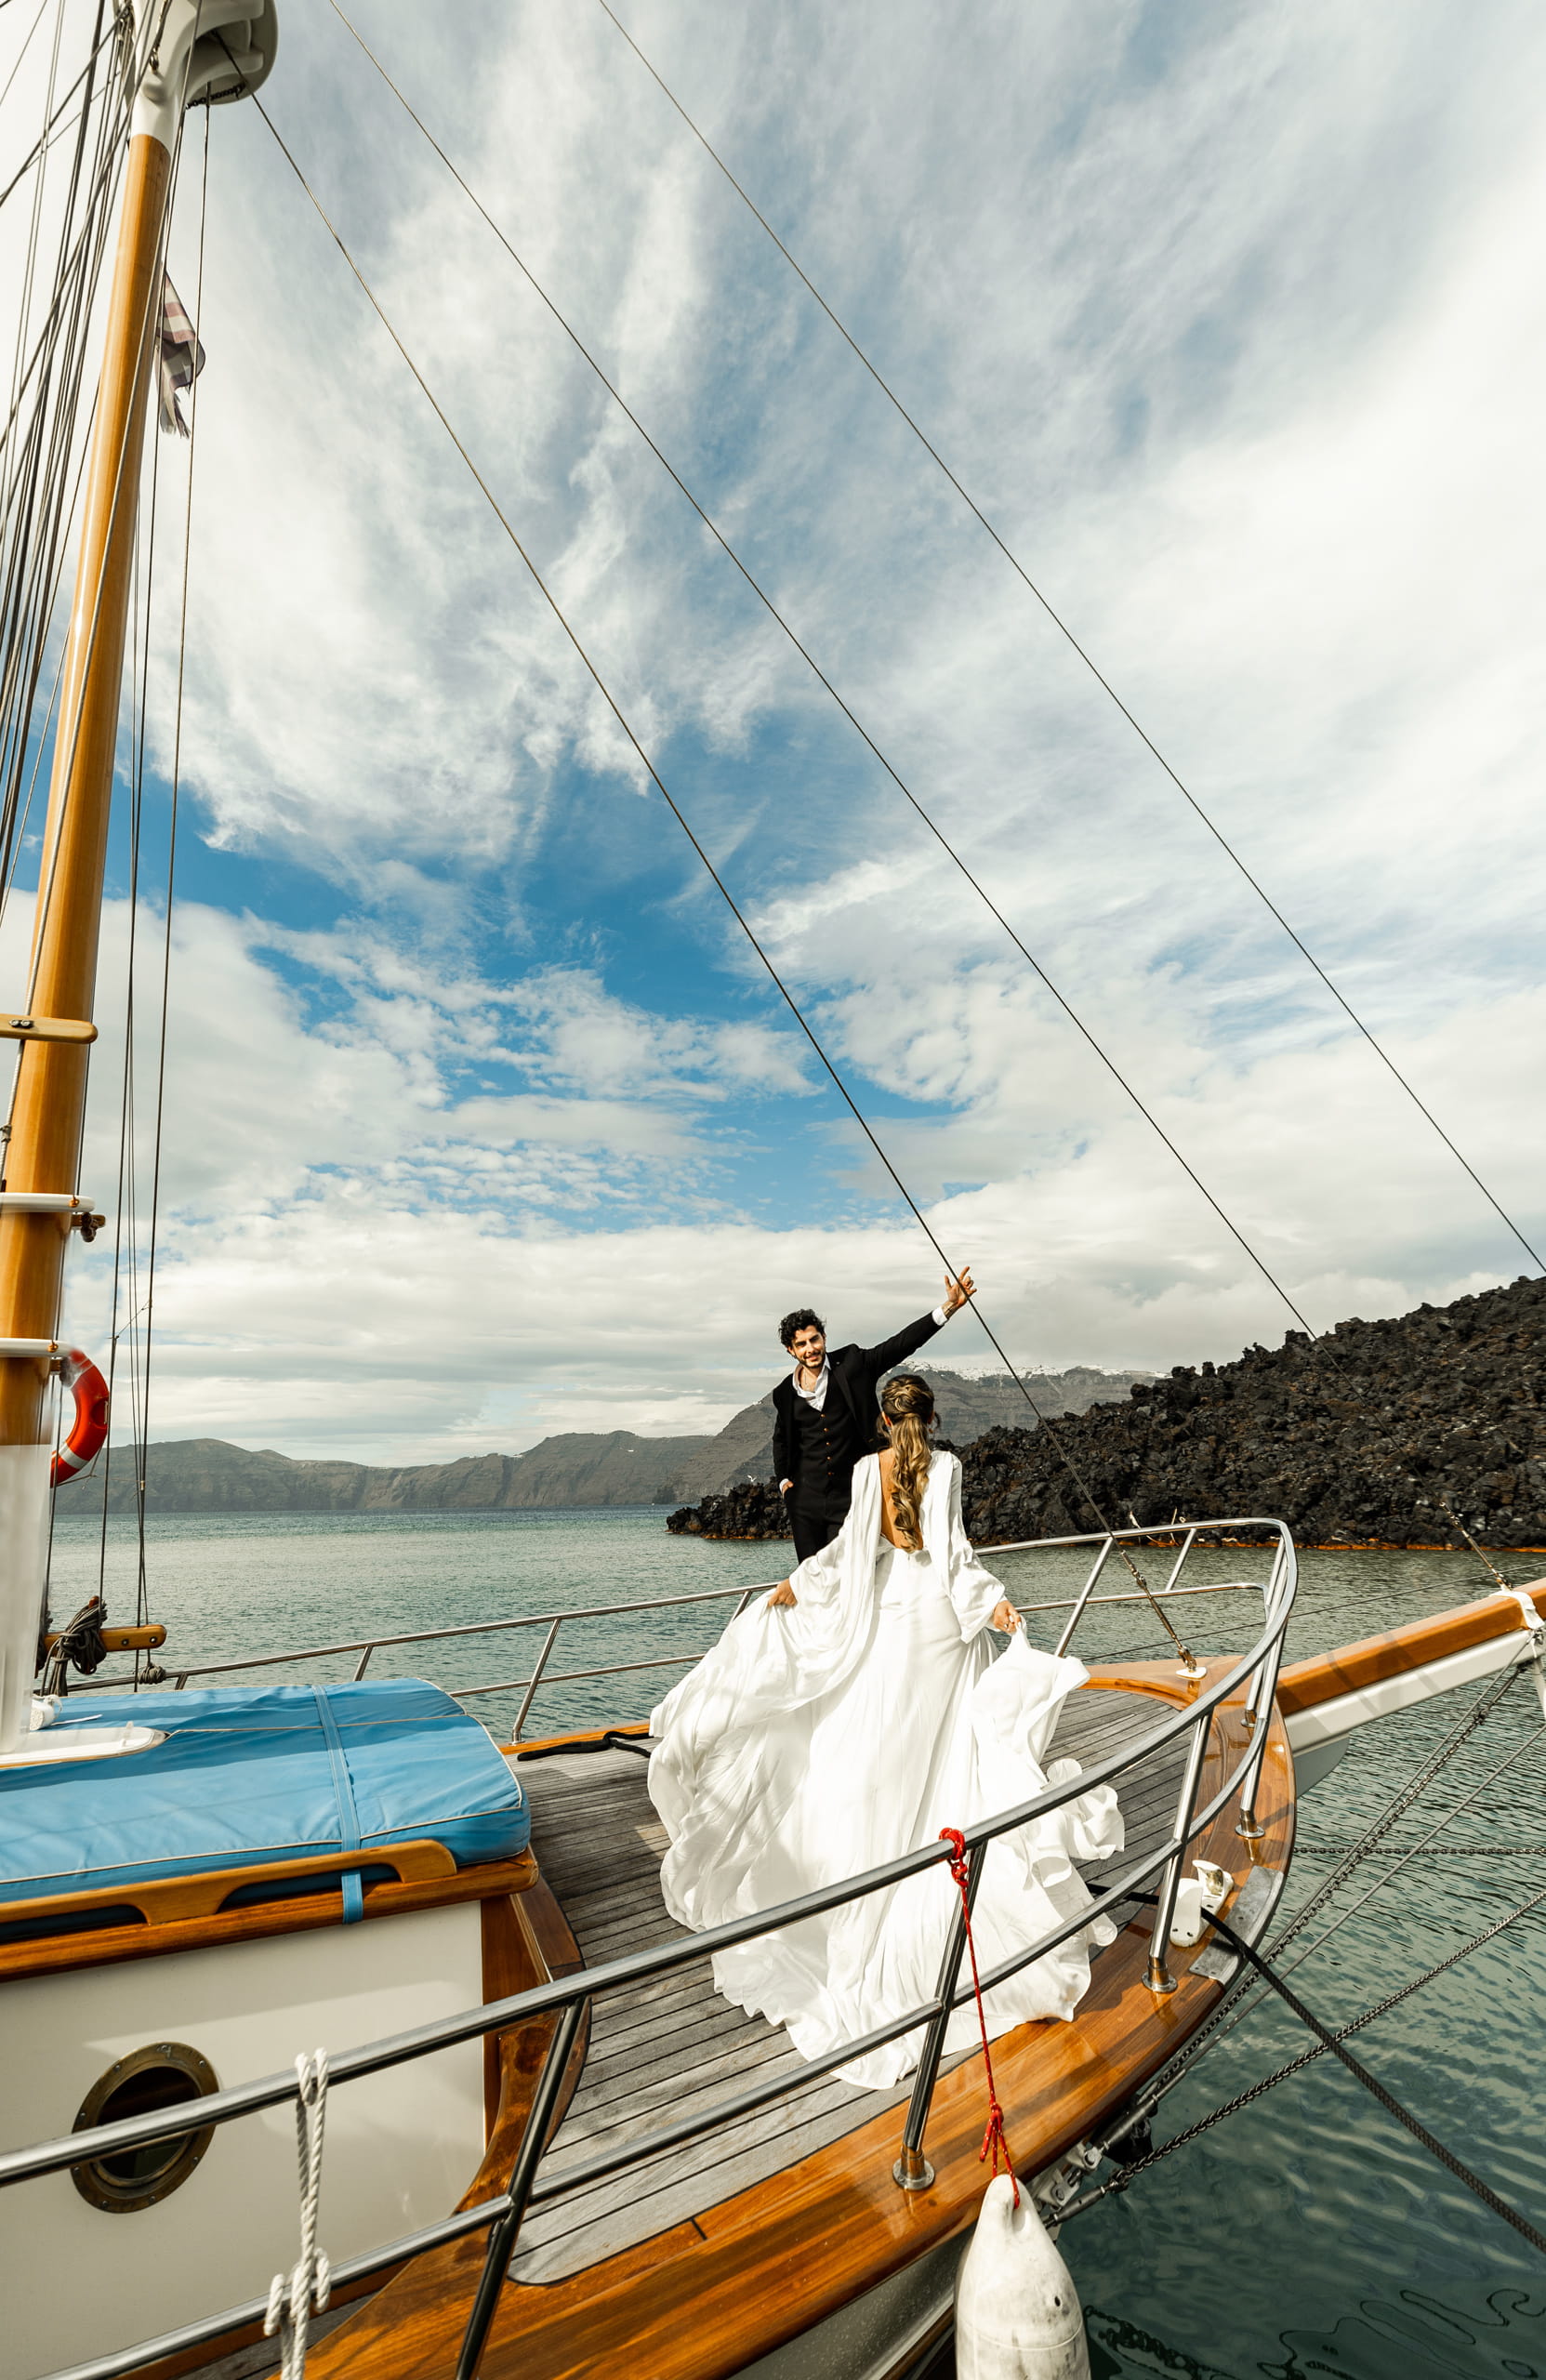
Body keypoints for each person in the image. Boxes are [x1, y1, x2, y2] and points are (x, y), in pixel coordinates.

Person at [648, 1373, 1123, 2090]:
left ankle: (855, 1878)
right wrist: (992, 1603)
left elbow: (849, 1552)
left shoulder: (868, 1469)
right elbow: (954, 1554)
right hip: (937, 1620)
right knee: (943, 1755)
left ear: (879, 1419)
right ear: (930, 1418)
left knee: (870, 1745)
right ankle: (930, 1860)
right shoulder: (949, 1467)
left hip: (892, 1622)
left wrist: (797, 1587)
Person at [772, 1267, 975, 1563]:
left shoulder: (853, 1364)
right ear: (791, 1350)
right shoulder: (784, 1393)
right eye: (801, 1344)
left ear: (824, 1337)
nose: (810, 1348)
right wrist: (784, 1483)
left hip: (855, 1496)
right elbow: (782, 1440)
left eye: (814, 1340)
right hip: (806, 1503)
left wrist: (949, 1308)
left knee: (855, 1574)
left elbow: (901, 1343)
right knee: (811, 1582)